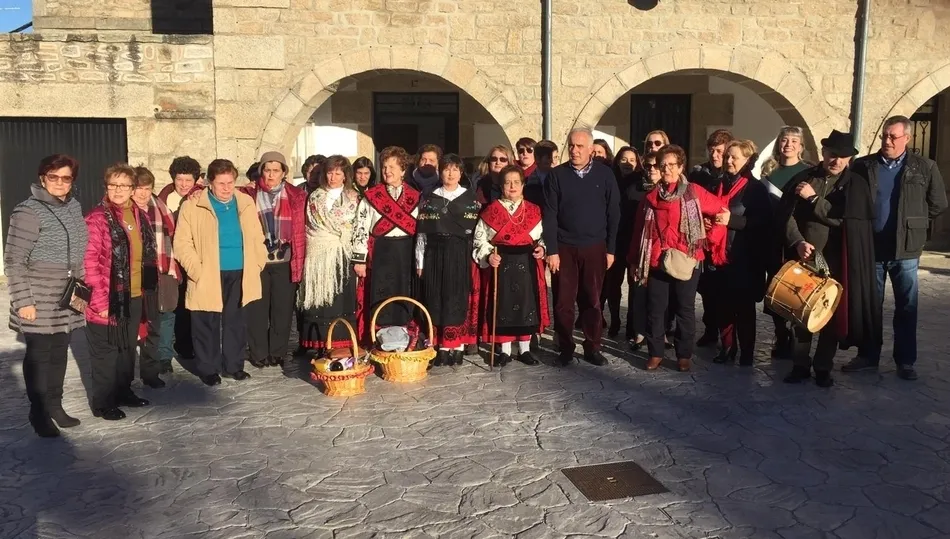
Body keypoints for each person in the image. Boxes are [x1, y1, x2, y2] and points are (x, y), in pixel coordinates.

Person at [843, 116, 948, 380]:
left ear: (907, 139)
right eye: (884, 136)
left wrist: (915, 224)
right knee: (870, 306)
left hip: (906, 251)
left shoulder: (924, 167)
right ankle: (867, 356)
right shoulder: (863, 166)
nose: (887, 141)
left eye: (893, 137)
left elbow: (938, 204)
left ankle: (905, 361)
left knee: (907, 307)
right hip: (872, 248)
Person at [779, 130, 880, 388]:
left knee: (829, 317)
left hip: (838, 262)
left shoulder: (855, 185)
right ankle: (800, 365)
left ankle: (823, 366)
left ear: (848, 159)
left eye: (843, 157)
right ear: (823, 153)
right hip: (806, 260)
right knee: (800, 313)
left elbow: (841, 218)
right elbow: (787, 216)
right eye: (833, 155)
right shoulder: (804, 178)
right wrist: (797, 241)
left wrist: (813, 199)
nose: (836, 161)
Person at [5, 154, 88, 437]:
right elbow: (14, 261)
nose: (60, 183)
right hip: (38, 298)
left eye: (66, 178)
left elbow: (79, 252)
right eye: (54, 177)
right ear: (43, 177)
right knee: (40, 357)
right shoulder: (27, 211)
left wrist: (83, 288)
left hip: (66, 297)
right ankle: (38, 411)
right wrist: (23, 302)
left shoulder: (74, 207)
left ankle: (55, 405)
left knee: (59, 354)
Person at [629, 145, 731, 372]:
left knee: (684, 309)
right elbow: (638, 231)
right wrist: (635, 259)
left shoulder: (694, 192)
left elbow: (722, 212)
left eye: (671, 165)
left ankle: (683, 354)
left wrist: (708, 239)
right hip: (656, 260)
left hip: (687, 259)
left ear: (681, 167)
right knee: (656, 309)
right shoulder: (650, 198)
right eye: (662, 165)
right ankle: (655, 353)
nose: (666, 169)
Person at [174, 159, 268, 386]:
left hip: (240, 270)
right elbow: (182, 243)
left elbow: (257, 236)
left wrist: (258, 261)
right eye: (221, 183)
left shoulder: (245, 201)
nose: (226, 188)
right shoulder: (193, 205)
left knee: (236, 321)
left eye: (230, 182)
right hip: (208, 271)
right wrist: (196, 269)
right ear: (209, 183)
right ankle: (208, 368)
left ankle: (234, 365)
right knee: (206, 321)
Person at [84, 164, 158, 420]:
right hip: (108, 297)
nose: (118, 190)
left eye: (124, 185)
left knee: (127, 349)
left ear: (132, 189)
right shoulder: (96, 218)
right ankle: (103, 402)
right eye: (113, 185)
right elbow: (90, 263)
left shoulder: (139, 215)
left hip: (134, 294)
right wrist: (100, 300)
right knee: (107, 353)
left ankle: (124, 391)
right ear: (106, 187)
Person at [544, 128, 621, 367]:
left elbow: (614, 213)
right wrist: (552, 250)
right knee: (563, 302)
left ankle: (592, 347)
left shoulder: (605, 175)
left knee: (593, 300)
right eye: (571, 146)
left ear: (591, 149)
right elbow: (550, 215)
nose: (575, 151)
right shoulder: (556, 176)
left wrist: (610, 249)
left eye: (580, 146)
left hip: (594, 246)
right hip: (565, 248)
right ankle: (565, 347)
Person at [703, 140, 771, 366]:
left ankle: (747, 352)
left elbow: (763, 222)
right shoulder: (717, 184)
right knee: (722, 306)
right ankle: (727, 347)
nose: (729, 161)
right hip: (719, 255)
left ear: (748, 161)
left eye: (735, 157)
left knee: (743, 309)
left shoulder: (755, 189)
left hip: (745, 257)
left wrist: (733, 221)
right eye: (727, 157)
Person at [474, 165, 549, 366]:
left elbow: (542, 237)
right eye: (507, 182)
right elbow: (479, 240)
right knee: (503, 306)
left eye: (516, 182)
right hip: (502, 264)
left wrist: (542, 248)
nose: (512, 186)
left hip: (527, 263)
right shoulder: (491, 211)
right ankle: (505, 350)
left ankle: (524, 349)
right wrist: (488, 255)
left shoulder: (534, 210)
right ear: (501, 186)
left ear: (523, 184)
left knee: (526, 305)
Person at [242, 152, 307, 369]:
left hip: (286, 258)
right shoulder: (247, 194)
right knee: (257, 310)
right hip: (258, 261)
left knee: (282, 310)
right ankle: (259, 352)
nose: (271, 175)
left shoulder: (297, 195)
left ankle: (277, 352)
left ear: (284, 173)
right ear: (261, 171)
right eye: (267, 170)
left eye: (276, 170)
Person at [416, 154, 482, 366]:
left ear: (461, 173)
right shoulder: (430, 198)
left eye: (455, 169)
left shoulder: (470, 198)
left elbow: (476, 232)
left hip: (459, 252)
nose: (451, 173)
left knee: (456, 296)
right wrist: (420, 261)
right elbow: (422, 233)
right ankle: (442, 346)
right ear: (440, 172)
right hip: (435, 252)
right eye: (447, 169)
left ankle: (458, 345)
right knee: (437, 295)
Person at [352, 146, 421, 340]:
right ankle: (380, 337)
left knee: (404, 296)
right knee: (381, 298)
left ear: (403, 170)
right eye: (384, 167)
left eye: (392, 166)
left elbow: (420, 232)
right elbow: (361, 228)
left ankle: (404, 338)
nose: (387, 171)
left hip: (406, 253)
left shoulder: (415, 196)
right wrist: (359, 259)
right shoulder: (372, 197)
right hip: (382, 253)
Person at [298, 155, 361, 356]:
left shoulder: (353, 197)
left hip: (343, 253)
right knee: (321, 299)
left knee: (340, 299)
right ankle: (318, 344)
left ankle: (341, 343)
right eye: (330, 172)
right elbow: (310, 226)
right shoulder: (315, 196)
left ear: (345, 175)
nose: (333, 177)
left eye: (338, 173)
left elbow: (359, 227)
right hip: (319, 253)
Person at [761, 126, 812, 358]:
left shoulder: (809, 172)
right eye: (784, 140)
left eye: (794, 141)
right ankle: (781, 336)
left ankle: (798, 340)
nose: (788, 144)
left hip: (796, 242)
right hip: (772, 240)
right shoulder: (770, 171)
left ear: (801, 147)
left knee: (797, 291)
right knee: (775, 290)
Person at [131, 166, 181, 383]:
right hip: (137, 271)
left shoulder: (160, 207)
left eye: (147, 188)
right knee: (142, 316)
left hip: (164, 267)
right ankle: (143, 358)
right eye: (138, 188)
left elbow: (175, 235)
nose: (142, 193)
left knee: (167, 314)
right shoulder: (124, 209)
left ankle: (164, 356)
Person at [689, 129, 735, 348]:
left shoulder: (733, 178)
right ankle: (710, 329)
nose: (714, 155)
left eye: (719, 151)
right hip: (702, 240)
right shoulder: (698, 174)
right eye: (711, 150)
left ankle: (727, 336)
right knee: (705, 288)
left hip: (725, 241)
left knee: (724, 291)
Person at [159, 156, 202, 361]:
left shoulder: (200, 198)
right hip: (169, 261)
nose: (184, 184)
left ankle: (187, 345)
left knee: (190, 306)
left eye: (188, 180)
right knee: (170, 307)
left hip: (193, 258)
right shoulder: (162, 199)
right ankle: (167, 349)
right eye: (180, 180)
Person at [602, 146, 641, 339]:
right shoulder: (610, 181)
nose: (628, 163)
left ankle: (632, 325)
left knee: (634, 285)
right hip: (614, 241)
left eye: (632, 160)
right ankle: (615, 320)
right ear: (617, 161)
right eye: (624, 159)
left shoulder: (641, 183)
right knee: (613, 285)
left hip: (634, 241)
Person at [524, 139, 558, 207]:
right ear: (537, 159)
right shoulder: (530, 183)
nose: (553, 161)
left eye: (556, 157)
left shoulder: (561, 177)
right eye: (549, 158)